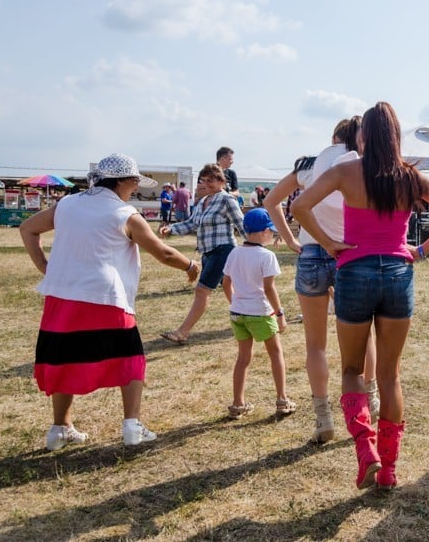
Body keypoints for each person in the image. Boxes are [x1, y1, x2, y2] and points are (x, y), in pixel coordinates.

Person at [291, 101, 429, 490]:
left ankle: (365, 450)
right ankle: (388, 469)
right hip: (399, 274)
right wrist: (419, 252)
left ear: (364, 136)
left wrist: (329, 243)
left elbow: (300, 205)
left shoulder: (345, 171)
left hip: (354, 271)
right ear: (397, 136)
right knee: (389, 375)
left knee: (352, 370)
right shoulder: (410, 177)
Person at [20, 153, 201, 450]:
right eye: (134, 182)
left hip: (62, 296)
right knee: (130, 358)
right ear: (125, 181)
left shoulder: (67, 204)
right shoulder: (124, 213)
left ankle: (59, 428)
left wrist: (45, 266)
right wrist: (190, 266)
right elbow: (162, 252)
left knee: (64, 359)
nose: (135, 187)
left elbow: (28, 228)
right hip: (107, 297)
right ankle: (132, 425)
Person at [263, 117, 379, 444]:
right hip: (351, 254)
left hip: (312, 252)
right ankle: (369, 400)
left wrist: (290, 240)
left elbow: (271, 201)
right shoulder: (362, 165)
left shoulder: (310, 166)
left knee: (316, 344)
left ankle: (323, 417)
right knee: (362, 336)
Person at [159, 163, 245, 344]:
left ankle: (182, 332)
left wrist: (254, 246)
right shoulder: (202, 202)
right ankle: (246, 317)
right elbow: (191, 223)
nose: (206, 184)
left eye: (211, 180)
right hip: (207, 252)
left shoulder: (226, 200)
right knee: (229, 288)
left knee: (202, 290)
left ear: (221, 181)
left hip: (223, 250)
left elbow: (241, 224)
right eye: (203, 180)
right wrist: (171, 229)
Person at [222, 208, 295, 419]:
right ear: (264, 232)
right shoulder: (267, 256)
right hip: (261, 313)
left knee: (243, 357)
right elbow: (269, 288)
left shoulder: (234, 252)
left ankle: (238, 404)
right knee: (275, 354)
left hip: (238, 312)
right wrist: (279, 313)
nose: (272, 234)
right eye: (270, 231)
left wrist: (234, 301)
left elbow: (226, 282)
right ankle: (282, 399)